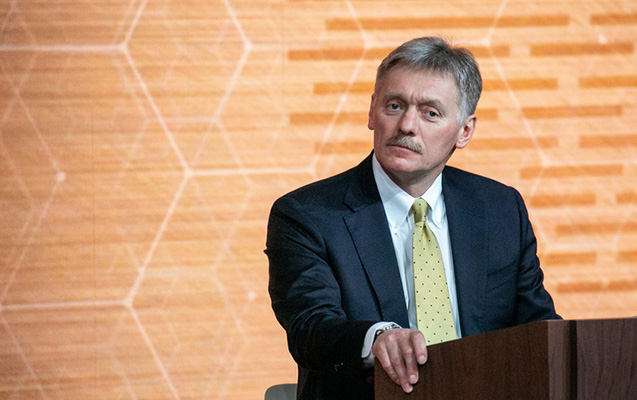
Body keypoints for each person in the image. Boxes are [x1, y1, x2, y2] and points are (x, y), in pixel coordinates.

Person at [266, 36, 560, 400]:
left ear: (465, 131)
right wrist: (377, 338)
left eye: (430, 113)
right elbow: (311, 328)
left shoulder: (499, 209)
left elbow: (537, 327)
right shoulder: (308, 215)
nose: (406, 125)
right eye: (394, 106)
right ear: (372, 112)